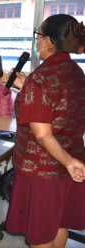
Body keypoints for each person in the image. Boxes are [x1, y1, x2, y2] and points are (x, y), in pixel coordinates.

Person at [6, 14, 85, 248]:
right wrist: (26, 88)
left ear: (49, 41)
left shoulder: (40, 78)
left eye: (38, 36)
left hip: (42, 171)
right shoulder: (76, 72)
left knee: (40, 233)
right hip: (69, 160)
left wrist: (68, 161)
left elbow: (42, 134)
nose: (36, 41)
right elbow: (61, 109)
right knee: (58, 222)